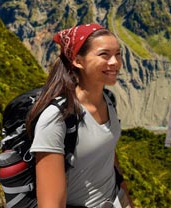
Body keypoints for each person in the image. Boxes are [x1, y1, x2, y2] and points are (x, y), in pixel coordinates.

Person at [28, 24, 134, 208]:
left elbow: (108, 156)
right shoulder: (56, 118)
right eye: (104, 54)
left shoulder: (108, 101)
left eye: (118, 54)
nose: (115, 62)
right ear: (78, 61)